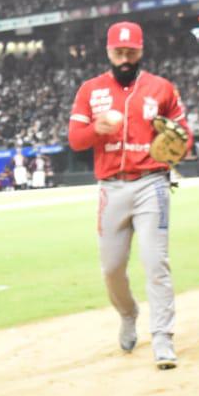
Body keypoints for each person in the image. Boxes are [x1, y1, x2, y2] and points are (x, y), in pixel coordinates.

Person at [67, 21, 190, 368]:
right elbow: (75, 139)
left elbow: (184, 135)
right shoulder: (90, 90)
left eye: (131, 51)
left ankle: (163, 339)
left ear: (141, 50)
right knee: (111, 268)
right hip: (111, 187)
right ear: (108, 51)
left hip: (152, 183)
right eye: (119, 52)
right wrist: (96, 129)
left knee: (156, 264)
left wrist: (176, 147)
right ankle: (128, 313)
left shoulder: (161, 88)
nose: (124, 58)